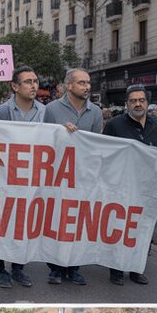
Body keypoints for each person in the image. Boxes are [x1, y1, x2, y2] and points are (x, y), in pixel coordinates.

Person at [102, 84, 157, 285]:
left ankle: (137, 268)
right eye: (133, 101)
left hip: (148, 189)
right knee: (120, 228)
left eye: (141, 100)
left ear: (147, 102)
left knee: (143, 229)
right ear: (126, 104)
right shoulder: (114, 125)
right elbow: (104, 153)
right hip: (122, 187)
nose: (137, 104)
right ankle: (116, 270)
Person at [43, 68, 103, 286]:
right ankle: (55, 268)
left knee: (77, 223)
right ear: (69, 86)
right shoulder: (51, 109)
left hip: (83, 176)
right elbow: (44, 140)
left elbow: (97, 144)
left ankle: (75, 267)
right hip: (58, 176)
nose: (87, 86)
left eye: (88, 83)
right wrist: (60, 132)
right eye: (81, 83)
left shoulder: (95, 112)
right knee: (57, 221)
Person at [0, 65, 46, 288]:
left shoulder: (44, 111)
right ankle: (1, 269)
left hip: (31, 178)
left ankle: (19, 268)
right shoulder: (2, 111)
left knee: (23, 223)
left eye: (35, 81)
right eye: (27, 82)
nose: (33, 86)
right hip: (4, 177)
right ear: (15, 86)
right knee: (2, 223)